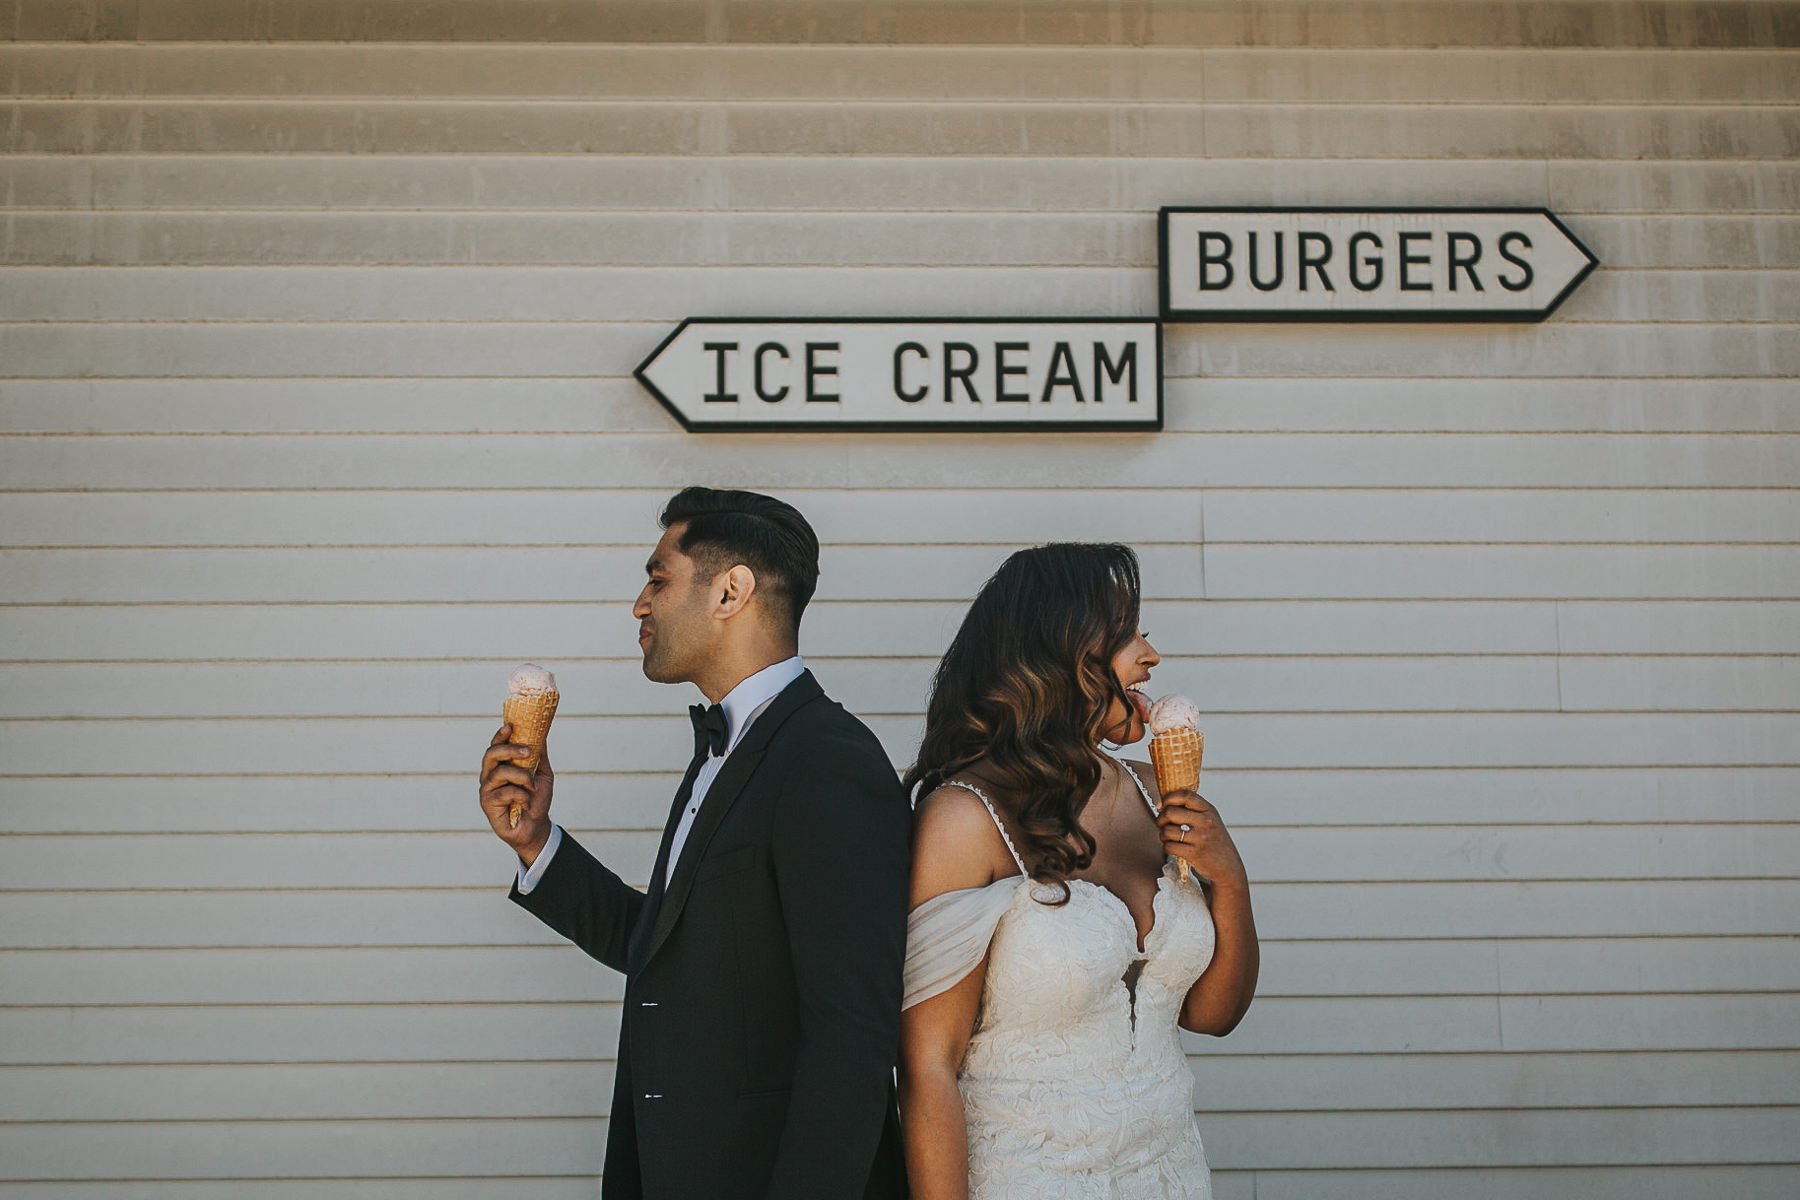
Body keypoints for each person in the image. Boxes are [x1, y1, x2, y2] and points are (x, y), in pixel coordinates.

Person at [479, 487, 911, 1200]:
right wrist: (535, 842)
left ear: (730, 591)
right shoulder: (724, 750)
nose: (639, 605)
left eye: (657, 578)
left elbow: (852, 1041)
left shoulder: (829, 759)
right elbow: (668, 951)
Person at [898, 543, 1259, 1199]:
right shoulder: (966, 819)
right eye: (1127, 635)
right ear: (1058, 653)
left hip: (1172, 1176)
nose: (1151, 656)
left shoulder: (1157, 795)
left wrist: (1229, 882)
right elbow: (928, 1065)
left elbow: (1210, 1015)